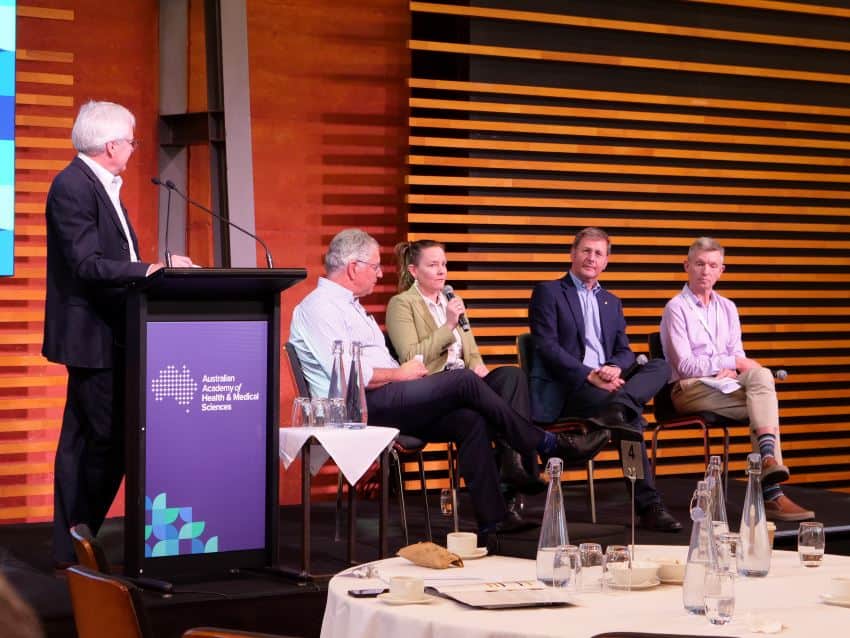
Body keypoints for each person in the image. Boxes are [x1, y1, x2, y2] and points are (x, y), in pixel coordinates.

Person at [290, 229, 609, 536]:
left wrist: (413, 378)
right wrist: (400, 374)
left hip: (392, 395)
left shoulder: (352, 308)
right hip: (358, 405)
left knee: (470, 420)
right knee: (462, 382)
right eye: (374, 267)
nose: (379, 274)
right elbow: (345, 373)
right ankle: (544, 444)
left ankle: (493, 522)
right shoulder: (319, 307)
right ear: (352, 267)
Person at [42, 101, 194, 566]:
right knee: (102, 440)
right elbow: (87, 264)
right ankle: (77, 541)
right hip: (92, 337)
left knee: (89, 439)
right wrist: (150, 269)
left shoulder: (101, 184)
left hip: (115, 332)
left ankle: (75, 542)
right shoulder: (73, 185)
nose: (133, 148)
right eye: (131, 140)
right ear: (112, 145)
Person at [528, 227, 682, 532]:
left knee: (660, 367)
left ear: (606, 262)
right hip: (572, 386)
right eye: (586, 250)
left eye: (598, 253)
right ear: (572, 254)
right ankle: (648, 505)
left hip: (610, 385)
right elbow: (545, 347)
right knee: (630, 420)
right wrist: (589, 374)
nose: (591, 257)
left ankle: (617, 409)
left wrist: (612, 367)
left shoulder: (611, 301)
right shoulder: (549, 291)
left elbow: (625, 351)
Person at [660, 237, 814, 521]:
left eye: (713, 265)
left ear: (722, 270)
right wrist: (731, 363)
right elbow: (686, 365)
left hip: (725, 386)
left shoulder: (728, 308)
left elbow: (737, 353)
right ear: (687, 266)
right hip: (688, 390)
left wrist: (734, 366)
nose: (706, 271)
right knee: (764, 404)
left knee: (761, 382)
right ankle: (772, 492)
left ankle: (768, 465)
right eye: (700, 264)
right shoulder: (676, 309)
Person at [386, 240, 549, 496]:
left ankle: (514, 463)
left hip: (467, 385)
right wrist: (448, 326)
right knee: (485, 413)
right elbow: (410, 357)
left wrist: (479, 368)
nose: (442, 271)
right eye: (433, 265)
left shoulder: (452, 300)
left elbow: (470, 352)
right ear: (414, 271)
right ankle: (516, 472)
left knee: (511, 377)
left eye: (444, 264)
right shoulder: (401, 304)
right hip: (432, 390)